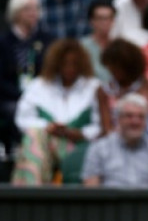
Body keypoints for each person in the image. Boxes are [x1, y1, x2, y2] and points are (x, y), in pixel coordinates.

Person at [11, 39, 105, 185]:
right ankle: (31, 190)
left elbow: (101, 126)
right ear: (56, 64)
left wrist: (77, 133)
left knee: (34, 138)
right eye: (64, 63)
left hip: (80, 146)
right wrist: (48, 127)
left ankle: (28, 190)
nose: (69, 68)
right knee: (34, 134)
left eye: (74, 64)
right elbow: (22, 119)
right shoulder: (39, 85)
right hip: (46, 144)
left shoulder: (93, 87)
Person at [1, 0, 54, 157]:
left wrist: (35, 94)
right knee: (15, 110)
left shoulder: (47, 40)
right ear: (16, 12)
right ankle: (18, 150)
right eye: (28, 9)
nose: (33, 13)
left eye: (36, 9)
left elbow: (50, 72)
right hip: (11, 97)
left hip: (42, 96)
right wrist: (22, 95)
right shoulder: (3, 42)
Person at [81, 93, 148, 188]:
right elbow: (91, 190)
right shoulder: (99, 148)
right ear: (118, 119)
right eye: (129, 116)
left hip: (145, 202)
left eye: (141, 117)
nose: (135, 122)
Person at [80, 0, 115, 83]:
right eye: (100, 18)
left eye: (108, 18)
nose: (105, 22)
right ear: (92, 21)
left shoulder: (121, 46)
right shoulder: (82, 47)